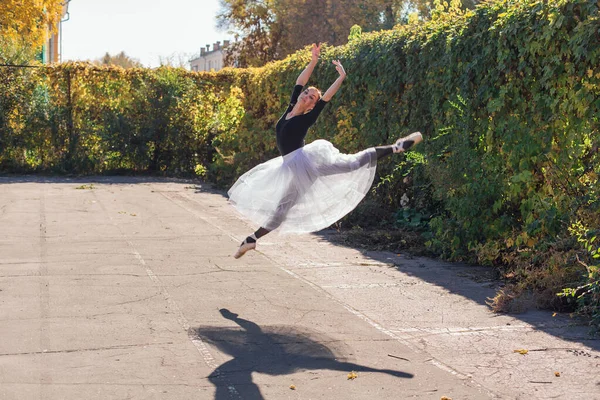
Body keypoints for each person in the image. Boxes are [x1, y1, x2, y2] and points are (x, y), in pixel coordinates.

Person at [229, 43, 422, 259]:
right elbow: (300, 81)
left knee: (350, 164)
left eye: (312, 97)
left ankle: (395, 147)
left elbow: (326, 98)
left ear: (312, 106)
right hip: (289, 166)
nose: (307, 96)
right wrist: (313, 60)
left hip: (305, 163)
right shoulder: (291, 106)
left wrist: (340, 77)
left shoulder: (308, 116)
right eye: (307, 93)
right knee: (282, 209)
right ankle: (252, 240)